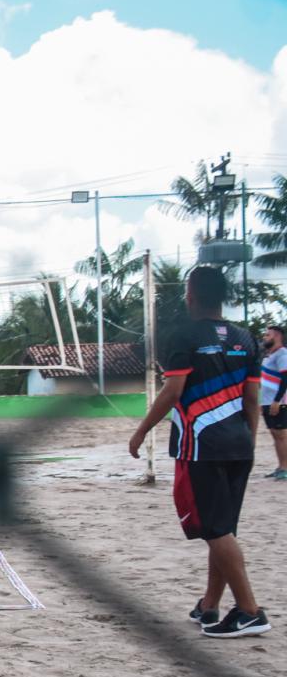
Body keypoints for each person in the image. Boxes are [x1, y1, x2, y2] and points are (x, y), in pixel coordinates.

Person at [128, 266, 269, 637]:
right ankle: (209, 606)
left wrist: (141, 431)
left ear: (190, 293)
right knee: (222, 531)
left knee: (215, 530)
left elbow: (173, 391)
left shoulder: (185, 336)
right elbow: (252, 397)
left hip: (201, 445)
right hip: (240, 443)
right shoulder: (246, 338)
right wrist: (249, 441)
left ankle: (250, 611)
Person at [261, 324, 287, 480]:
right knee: (275, 434)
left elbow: (285, 378)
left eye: (268, 335)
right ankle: (280, 466)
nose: (265, 338)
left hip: (278, 402)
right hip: (267, 401)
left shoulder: (282, 354)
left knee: (281, 434)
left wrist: (277, 400)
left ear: (277, 336)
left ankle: (284, 468)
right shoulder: (269, 356)